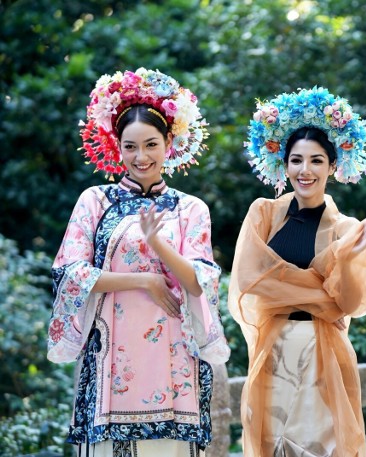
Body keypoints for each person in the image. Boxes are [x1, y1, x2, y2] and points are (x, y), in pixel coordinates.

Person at [47, 68, 230, 456]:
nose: (140, 157)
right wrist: (144, 281)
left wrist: (157, 246)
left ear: (169, 142)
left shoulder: (189, 208)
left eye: (150, 144)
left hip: (174, 361)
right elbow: (71, 273)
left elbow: (199, 282)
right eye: (130, 147)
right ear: (118, 148)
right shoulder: (95, 201)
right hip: (109, 361)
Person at [228, 87, 366, 456]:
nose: (306, 170)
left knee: (322, 446)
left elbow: (348, 304)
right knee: (273, 444)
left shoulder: (348, 230)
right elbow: (251, 283)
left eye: (317, 161)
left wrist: (347, 261)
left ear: (333, 166)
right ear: (283, 165)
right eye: (296, 160)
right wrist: (321, 293)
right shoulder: (264, 216)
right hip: (275, 349)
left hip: (324, 352)